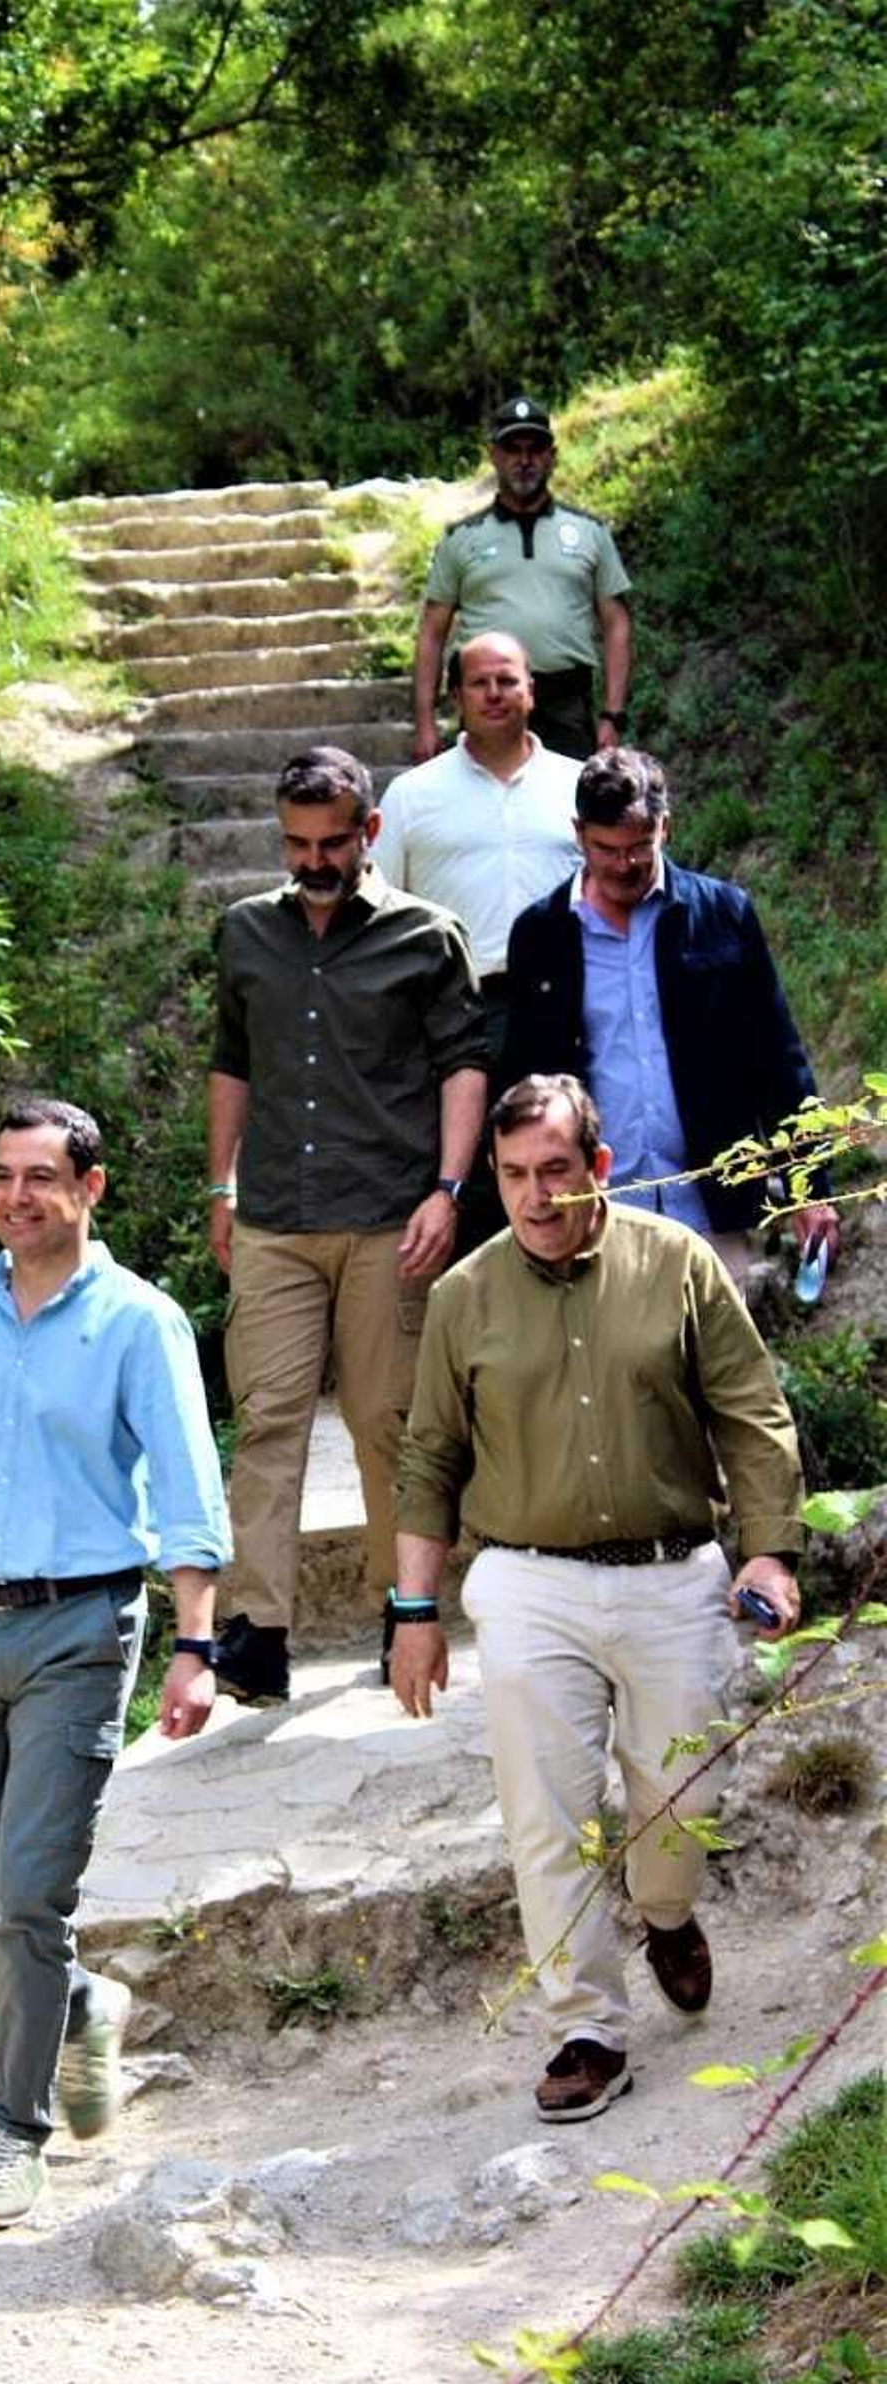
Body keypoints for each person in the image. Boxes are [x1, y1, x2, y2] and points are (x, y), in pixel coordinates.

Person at [389, 1073, 805, 2123]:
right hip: (528, 1581)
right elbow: (426, 1459)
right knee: (548, 1815)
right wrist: (412, 1613)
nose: (535, 1196)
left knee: (679, 1803)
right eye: (516, 1176)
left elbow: (750, 1416)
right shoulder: (462, 1298)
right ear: (494, 1176)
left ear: (600, 1168)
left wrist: (767, 1554)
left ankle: (665, 1913)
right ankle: (586, 2026)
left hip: (673, 1574)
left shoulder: (676, 1267)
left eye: (556, 1172)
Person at [0, 1096, 229, 2231]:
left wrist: (196, 1644)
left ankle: (13, 2135)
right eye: (3, 1176)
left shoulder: (138, 1322)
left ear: (89, 1190)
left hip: (80, 1629)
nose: (17, 1197)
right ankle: (73, 2006)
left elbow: (186, 1491)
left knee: (27, 1897)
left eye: (40, 1178)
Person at [207, 746, 489, 1705]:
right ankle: (256, 1632)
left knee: (387, 1422)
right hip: (276, 1216)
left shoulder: (427, 935)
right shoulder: (246, 933)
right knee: (268, 1419)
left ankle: (399, 1608)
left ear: (370, 831)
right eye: (296, 843)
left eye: (332, 842)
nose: (313, 861)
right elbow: (232, 1063)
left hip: (386, 1215)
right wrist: (221, 1187)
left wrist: (448, 1189)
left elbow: (463, 1066)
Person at [503, 746, 839, 1282]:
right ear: (578, 833)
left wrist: (809, 1188)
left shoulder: (723, 915)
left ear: (666, 828)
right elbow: (522, 1078)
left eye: (639, 846)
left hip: (712, 1205)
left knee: (723, 1364)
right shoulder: (540, 934)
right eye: (605, 849)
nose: (623, 865)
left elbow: (776, 1059)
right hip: (595, 1213)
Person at [375, 627, 580, 1068]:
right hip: (452, 1011)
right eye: (478, 683)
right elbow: (377, 912)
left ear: (531, 690)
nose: (493, 694)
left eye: (506, 681)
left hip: (569, 1005)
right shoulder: (410, 795)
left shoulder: (579, 784)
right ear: (456, 696)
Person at [413, 395, 632, 765]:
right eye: (512, 449)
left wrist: (612, 714)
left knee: (569, 811)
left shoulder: (589, 532)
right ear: (494, 456)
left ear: (552, 455)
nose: (524, 460)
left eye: (535, 449)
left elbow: (617, 622)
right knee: (482, 812)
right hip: (487, 698)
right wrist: (425, 723)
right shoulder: (462, 539)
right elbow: (432, 632)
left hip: (566, 700)